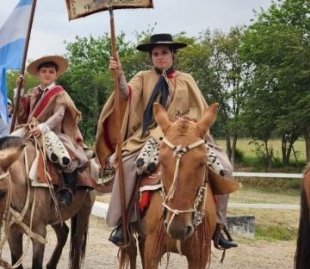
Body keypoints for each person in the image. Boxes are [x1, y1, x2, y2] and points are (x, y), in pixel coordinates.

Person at [95, 33, 237, 249]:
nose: (159, 57)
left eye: (164, 53)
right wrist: (119, 73)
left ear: (173, 55)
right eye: (155, 54)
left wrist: (186, 125)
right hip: (150, 135)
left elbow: (199, 108)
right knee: (127, 165)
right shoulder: (143, 77)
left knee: (224, 167)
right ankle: (123, 224)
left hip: (186, 135)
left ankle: (218, 225)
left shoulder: (186, 79)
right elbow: (126, 94)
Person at [13, 55, 88, 207]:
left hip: (53, 131)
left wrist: (43, 127)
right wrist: (19, 91)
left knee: (67, 155)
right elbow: (21, 111)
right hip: (30, 129)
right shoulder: (32, 92)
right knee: (6, 143)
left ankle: (67, 190)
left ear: (56, 75)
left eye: (51, 72)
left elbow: (59, 114)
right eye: (44, 71)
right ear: (39, 74)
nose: (47, 74)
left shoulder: (60, 93)